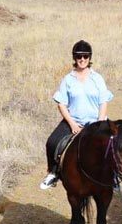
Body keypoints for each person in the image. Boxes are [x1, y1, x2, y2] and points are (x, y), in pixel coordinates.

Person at [40, 40, 113, 190]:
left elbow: (103, 101)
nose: (82, 59)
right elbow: (61, 104)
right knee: (52, 142)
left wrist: (99, 123)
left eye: (85, 56)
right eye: (79, 56)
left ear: (89, 58)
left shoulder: (97, 78)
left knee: (116, 143)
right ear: (74, 58)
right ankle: (53, 173)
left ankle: (115, 176)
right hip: (74, 121)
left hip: (96, 121)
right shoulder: (68, 80)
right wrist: (72, 124)